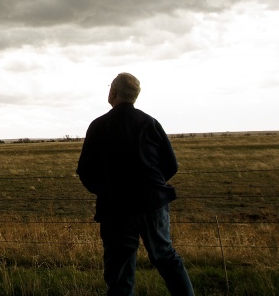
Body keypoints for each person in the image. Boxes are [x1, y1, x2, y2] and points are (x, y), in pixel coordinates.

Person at [76, 72, 195, 296]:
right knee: (166, 257)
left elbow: (85, 171)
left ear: (113, 92)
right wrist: (154, 186)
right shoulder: (150, 123)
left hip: (116, 209)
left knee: (120, 272)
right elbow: (171, 165)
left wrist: (105, 191)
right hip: (153, 204)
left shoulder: (99, 126)